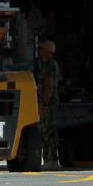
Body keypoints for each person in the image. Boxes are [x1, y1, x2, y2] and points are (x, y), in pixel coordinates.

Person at [37, 40, 61, 170]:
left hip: (48, 103)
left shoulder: (49, 65)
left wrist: (44, 104)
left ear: (47, 50)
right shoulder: (51, 64)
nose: (39, 51)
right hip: (50, 102)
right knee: (46, 130)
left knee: (48, 131)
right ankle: (48, 159)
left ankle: (51, 159)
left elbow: (49, 85)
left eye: (41, 48)